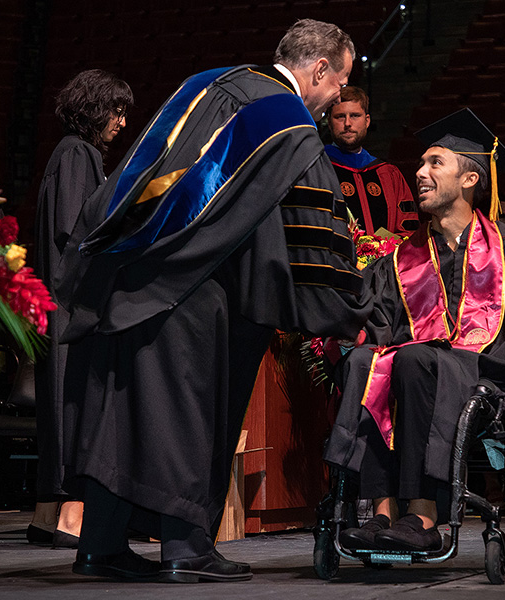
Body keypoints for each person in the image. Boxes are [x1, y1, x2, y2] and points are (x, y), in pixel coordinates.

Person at [55, 19, 370, 583]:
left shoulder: (205, 84)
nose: (334, 102)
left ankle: (100, 544)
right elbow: (310, 237)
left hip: (128, 282)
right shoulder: (289, 126)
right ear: (319, 70)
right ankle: (186, 546)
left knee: (123, 419)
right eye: (339, 84)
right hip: (201, 300)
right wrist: (350, 311)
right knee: (189, 419)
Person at [324, 109, 505, 551]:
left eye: (435, 163)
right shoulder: (402, 259)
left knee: (415, 360)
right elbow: (376, 322)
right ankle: (382, 513)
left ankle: (423, 515)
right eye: (420, 164)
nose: (419, 173)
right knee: (367, 360)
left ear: (470, 180)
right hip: (420, 365)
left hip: (488, 372)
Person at [30, 69, 133, 549]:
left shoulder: (70, 153)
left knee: (63, 402)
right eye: (116, 111)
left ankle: (48, 515)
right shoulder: (77, 153)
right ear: (95, 108)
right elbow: (79, 232)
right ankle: (71, 516)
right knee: (76, 402)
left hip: (63, 301)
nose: (122, 122)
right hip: (73, 304)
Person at [325, 86, 418, 236]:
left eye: (355, 115)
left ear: (367, 121)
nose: (347, 123)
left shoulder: (388, 174)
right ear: (329, 123)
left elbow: (407, 227)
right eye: (340, 116)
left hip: (385, 258)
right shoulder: (319, 168)